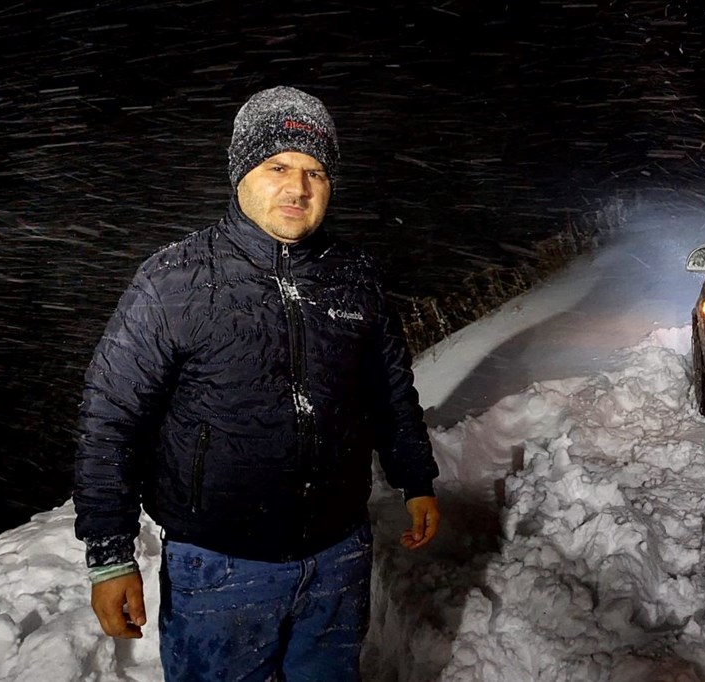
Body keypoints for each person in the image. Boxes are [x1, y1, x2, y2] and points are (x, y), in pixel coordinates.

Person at [73, 85, 441, 681]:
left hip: (339, 557)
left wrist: (415, 477)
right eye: (278, 167)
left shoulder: (355, 277)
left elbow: (390, 390)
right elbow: (109, 418)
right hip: (218, 568)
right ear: (242, 173)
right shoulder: (173, 281)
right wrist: (110, 557)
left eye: (316, 172)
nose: (298, 188)